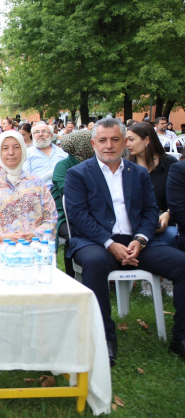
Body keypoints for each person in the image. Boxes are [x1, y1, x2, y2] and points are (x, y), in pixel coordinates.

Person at [64, 117, 185, 367]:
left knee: (182, 264)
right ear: (93, 143)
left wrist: (140, 239)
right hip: (95, 243)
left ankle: (181, 338)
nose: (109, 145)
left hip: (138, 242)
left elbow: (151, 211)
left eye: (115, 140)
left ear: (123, 143)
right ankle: (104, 339)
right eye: (103, 140)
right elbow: (78, 216)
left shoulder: (137, 172)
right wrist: (110, 244)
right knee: (95, 264)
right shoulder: (78, 173)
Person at [0, 130, 57, 264]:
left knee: (39, 258)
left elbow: (51, 217)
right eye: (5, 148)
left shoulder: (36, 182)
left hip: (32, 243)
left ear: (23, 150)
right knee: (4, 259)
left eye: (16, 147)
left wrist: (35, 234)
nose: (11, 153)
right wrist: (1, 236)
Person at [126, 122, 179, 290]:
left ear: (147, 140)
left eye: (131, 139)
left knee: (171, 234)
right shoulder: (126, 167)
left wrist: (167, 214)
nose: (127, 144)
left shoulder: (169, 164)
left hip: (168, 218)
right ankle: (147, 280)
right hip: (136, 222)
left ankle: (169, 279)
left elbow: (178, 198)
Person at [51, 130, 95, 275]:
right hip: (65, 214)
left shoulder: (96, 163)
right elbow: (67, 191)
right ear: (83, 146)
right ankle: (72, 276)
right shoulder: (63, 165)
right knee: (74, 237)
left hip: (93, 211)